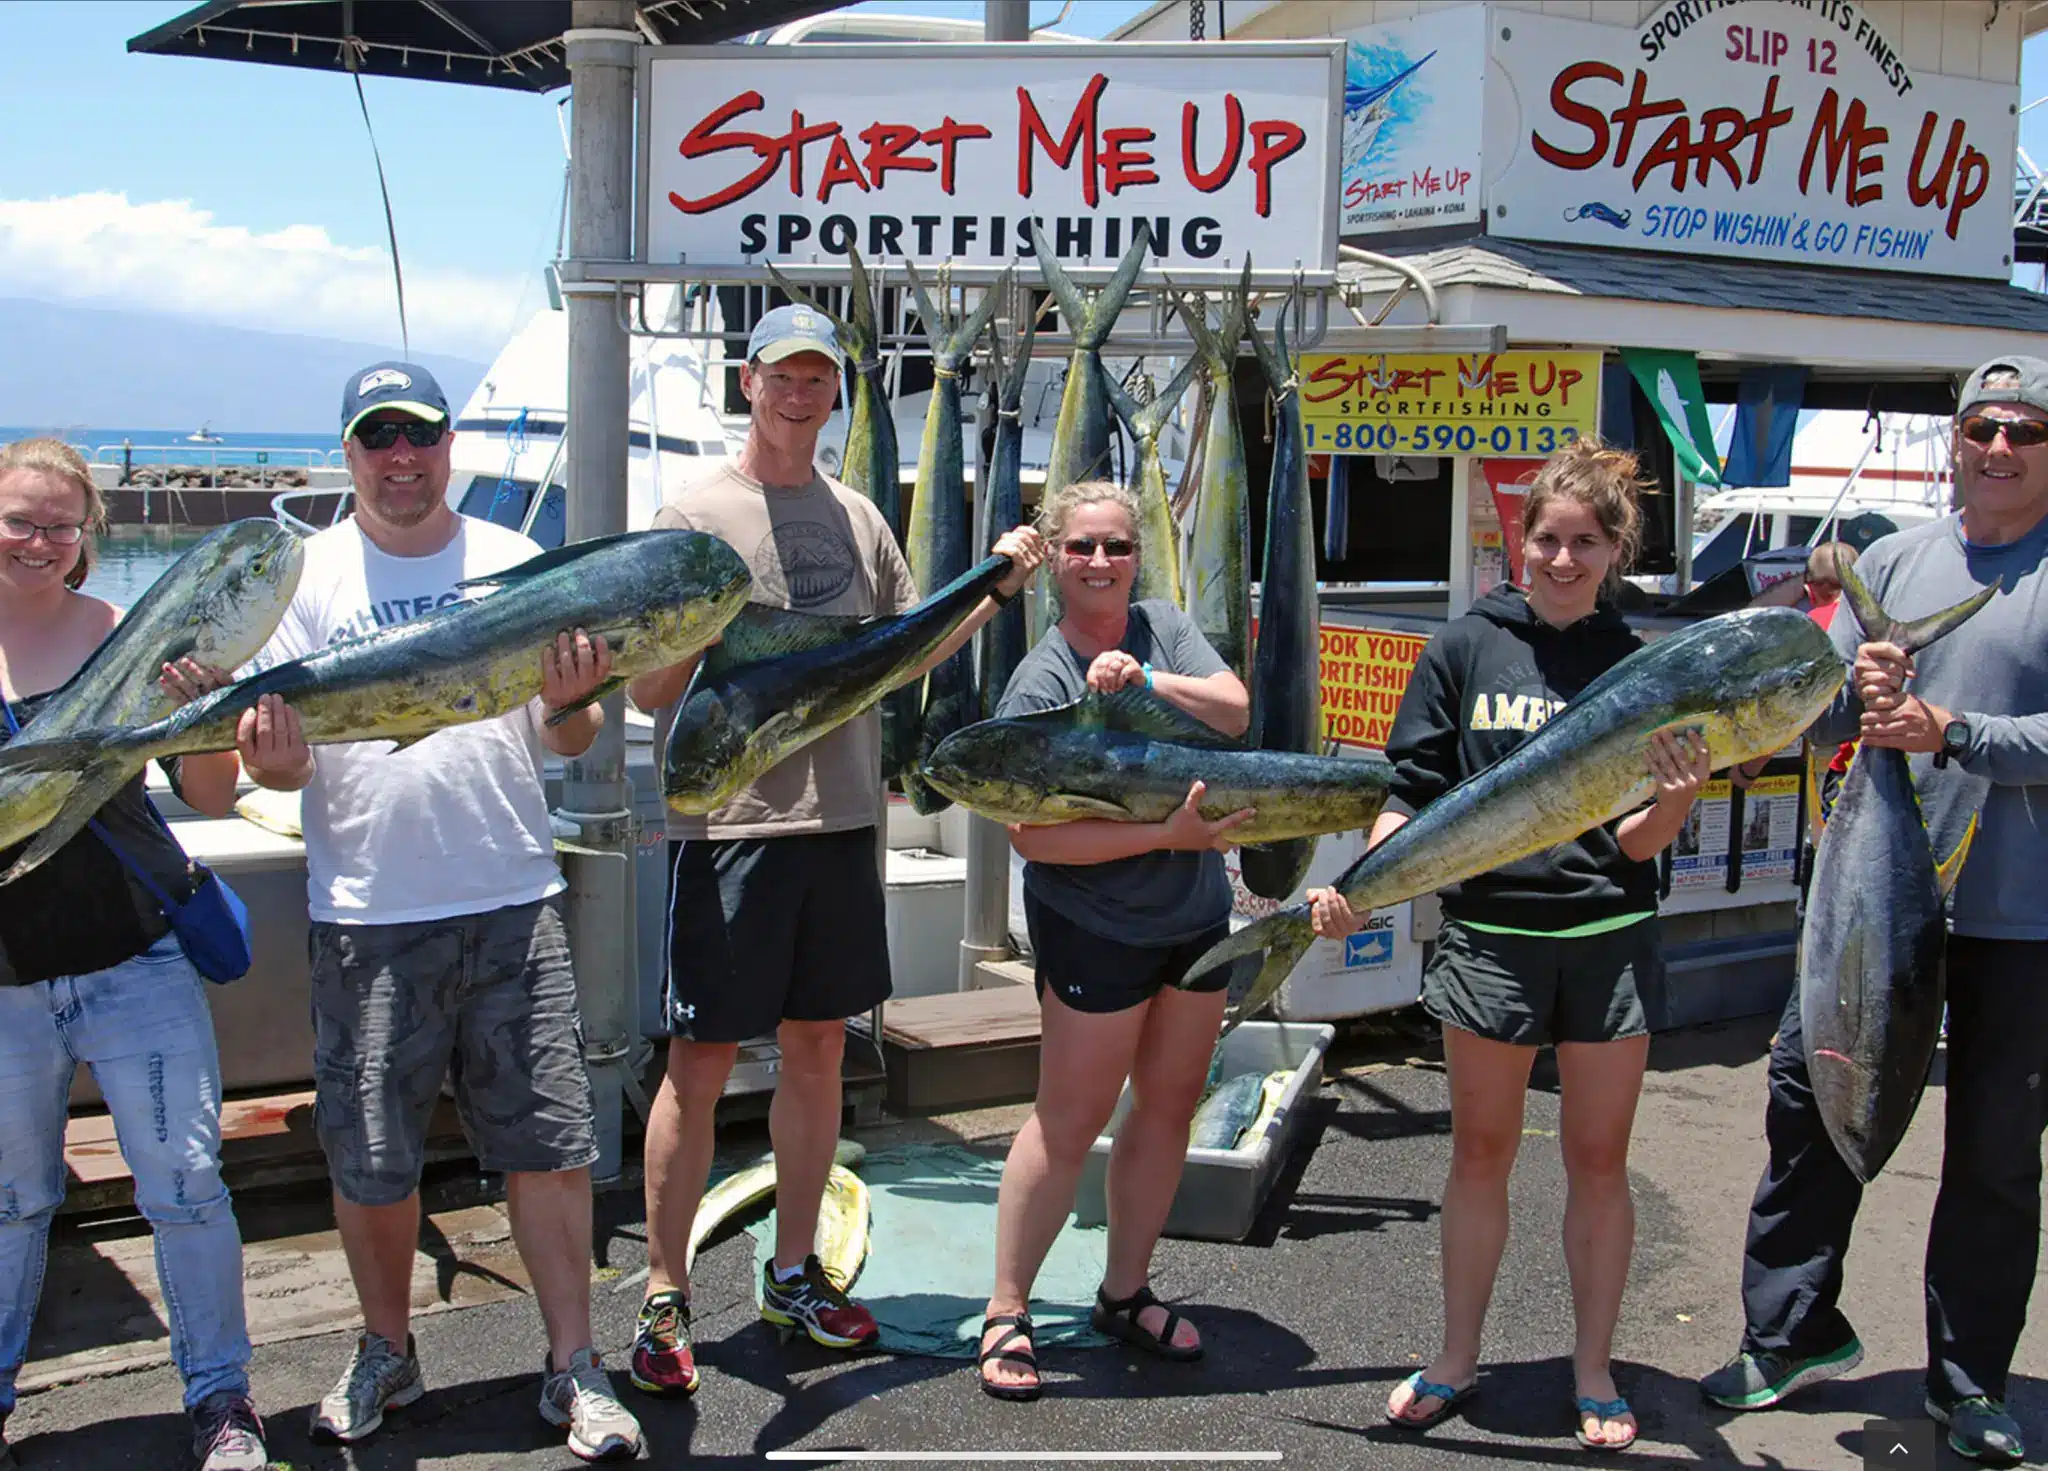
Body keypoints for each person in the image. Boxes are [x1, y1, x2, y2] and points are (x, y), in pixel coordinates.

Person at [626, 305, 1045, 1397]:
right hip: (728, 830)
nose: (799, 395)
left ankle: (795, 1271)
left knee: (818, 1053)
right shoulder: (694, 512)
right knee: (700, 1064)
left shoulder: (857, 514)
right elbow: (647, 690)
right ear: (747, 384)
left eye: (817, 379)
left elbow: (910, 649)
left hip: (841, 822)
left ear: (831, 394)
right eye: (781, 377)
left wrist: (993, 585)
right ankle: (664, 1292)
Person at [232, 364, 644, 1462]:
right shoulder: (302, 578)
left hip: (511, 899)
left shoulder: (516, 566)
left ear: (449, 443)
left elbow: (570, 740)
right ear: (350, 453)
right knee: (371, 1157)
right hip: (367, 916)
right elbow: (276, 769)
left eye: (418, 434)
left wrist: (569, 704)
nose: (400, 457)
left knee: (549, 1147)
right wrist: (268, 761)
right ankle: (386, 1349)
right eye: (378, 439)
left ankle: (572, 1362)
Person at [1310, 439, 1711, 1453]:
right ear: (1515, 543)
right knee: (1479, 1155)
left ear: (1615, 549)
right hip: (1490, 938)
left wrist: (1677, 798)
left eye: (1584, 542)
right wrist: (1364, 886)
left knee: (1596, 1161)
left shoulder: (1645, 667)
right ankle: (1453, 1357)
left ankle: (1590, 1365)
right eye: (1545, 539)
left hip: (1607, 939)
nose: (1562, 559)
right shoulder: (1462, 648)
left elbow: (1632, 846)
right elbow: (1410, 793)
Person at [1698, 356, 2048, 1466]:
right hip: (1865, 896)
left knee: (1992, 1154)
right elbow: (1812, 718)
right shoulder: (1893, 563)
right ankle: (1790, 1331)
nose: (1997, 448)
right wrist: (1850, 695)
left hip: (2017, 916)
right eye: (1981, 427)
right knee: (1808, 1102)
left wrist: (1949, 730)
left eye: (2024, 432)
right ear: (1953, 438)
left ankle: (1967, 1380)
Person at [0, 438, 269, 1470]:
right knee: (14, 1201)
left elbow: (207, 797)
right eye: (20, 520)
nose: (39, 542)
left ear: (87, 539)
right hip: (7, 982)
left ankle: (222, 1399)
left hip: (133, 962)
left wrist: (208, 707)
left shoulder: (126, 634)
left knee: (186, 1182)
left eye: (61, 527)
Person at [973, 479, 1252, 1402]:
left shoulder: (1164, 627)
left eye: (1118, 547)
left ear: (1139, 557)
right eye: (1084, 546)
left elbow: (1234, 708)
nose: (1101, 562)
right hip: (1096, 925)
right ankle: (1007, 1308)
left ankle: (1125, 1291)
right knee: (1069, 1120)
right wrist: (1165, 836)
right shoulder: (1042, 679)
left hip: (1194, 919)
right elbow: (1032, 835)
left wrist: (1144, 678)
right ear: (1052, 556)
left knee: (1169, 1106)